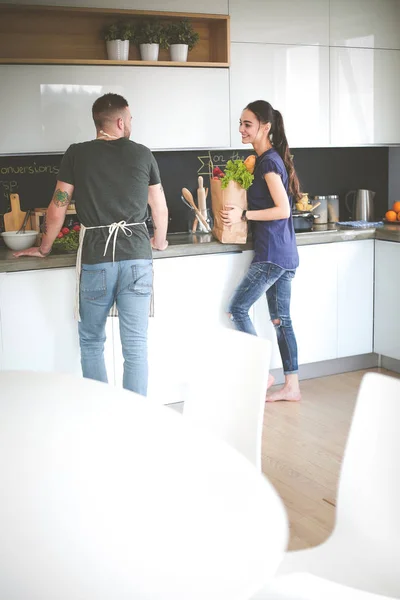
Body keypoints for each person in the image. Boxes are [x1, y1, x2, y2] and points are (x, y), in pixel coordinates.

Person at [14, 93, 168, 396]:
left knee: (92, 341)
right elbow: (159, 208)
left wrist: (44, 247)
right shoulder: (142, 153)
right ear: (121, 121)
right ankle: (135, 417)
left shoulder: (77, 154)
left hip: (97, 258)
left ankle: (99, 414)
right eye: (131, 119)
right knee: (135, 346)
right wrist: (159, 241)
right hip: (137, 255)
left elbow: (57, 207)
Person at [221, 100, 301, 402]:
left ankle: (261, 374)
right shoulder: (265, 160)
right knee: (282, 320)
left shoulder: (268, 162)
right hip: (283, 253)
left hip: (273, 254)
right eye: (240, 123)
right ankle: (291, 386)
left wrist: (243, 215)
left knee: (237, 309)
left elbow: (283, 209)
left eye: (247, 124)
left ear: (265, 127)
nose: (241, 129)